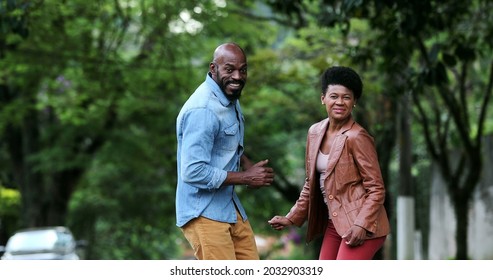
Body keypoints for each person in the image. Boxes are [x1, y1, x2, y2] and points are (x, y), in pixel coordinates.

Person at [268, 66, 390, 260]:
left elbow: (376, 189)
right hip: (335, 222)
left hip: (364, 224)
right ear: (323, 98)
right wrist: (291, 217)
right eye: (334, 96)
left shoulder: (357, 137)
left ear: (354, 102)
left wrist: (361, 225)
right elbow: (311, 183)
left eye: (346, 97)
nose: (339, 102)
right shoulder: (315, 132)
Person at [175, 42, 275, 260]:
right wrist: (246, 178)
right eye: (229, 69)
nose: (238, 76)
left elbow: (223, 143)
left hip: (229, 207)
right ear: (214, 69)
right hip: (204, 213)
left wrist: (245, 162)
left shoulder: (228, 97)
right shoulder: (203, 110)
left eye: (243, 69)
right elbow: (192, 171)